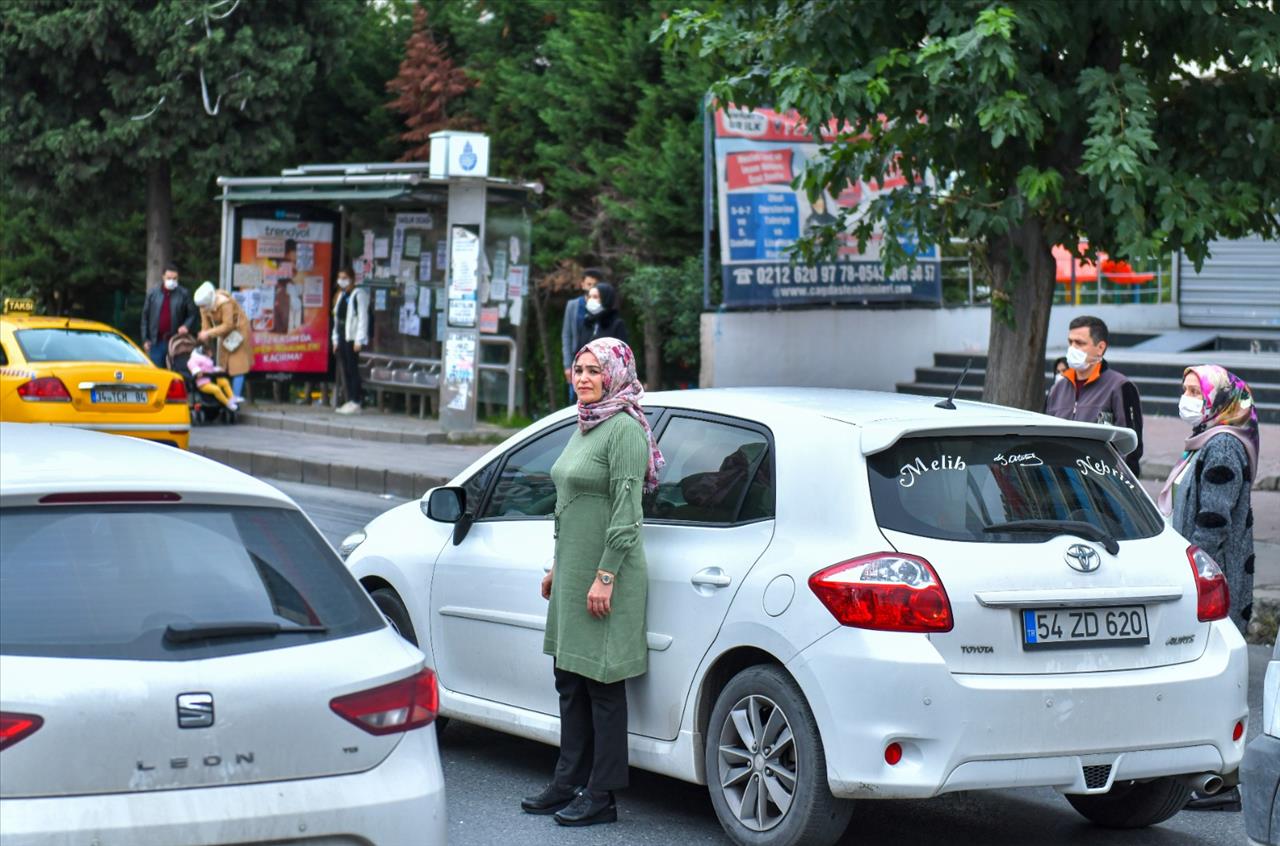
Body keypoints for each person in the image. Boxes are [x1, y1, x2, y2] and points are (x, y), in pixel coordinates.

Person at [523, 337, 664, 827]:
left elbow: (628, 513)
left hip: (610, 575)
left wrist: (604, 577)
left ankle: (602, 795)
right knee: (570, 679)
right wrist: (558, 567)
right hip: (573, 573)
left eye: (593, 370)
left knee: (603, 685)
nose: (583, 378)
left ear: (615, 374)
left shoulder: (623, 429)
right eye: (578, 369)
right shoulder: (585, 424)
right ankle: (567, 781)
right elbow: (569, 502)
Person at [1159, 365, 1259, 633]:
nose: (1186, 398)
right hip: (1202, 570)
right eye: (1185, 391)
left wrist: (1194, 571)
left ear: (1220, 399)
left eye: (1195, 391)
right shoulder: (1205, 439)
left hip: (1211, 575)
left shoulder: (1223, 447)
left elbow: (1214, 521)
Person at [1044, 315, 1144, 475]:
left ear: (1100, 347)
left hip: (1100, 486)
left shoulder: (1120, 386)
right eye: (1070, 342)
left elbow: (1131, 448)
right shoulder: (1057, 389)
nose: (1072, 349)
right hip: (1060, 481)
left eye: (1080, 343)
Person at [194, 282, 254, 402]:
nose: (203, 309)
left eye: (204, 306)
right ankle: (224, 394)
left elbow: (228, 325)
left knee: (238, 363)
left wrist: (209, 333)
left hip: (239, 330)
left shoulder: (225, 302)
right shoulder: (203, 305)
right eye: (201, 307)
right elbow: (205, 326)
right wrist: (203, 339)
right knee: (223, 363)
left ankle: (235, 396)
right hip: (224, 332)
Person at [140, 266, 198, 369]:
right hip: (156, 342)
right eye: (169, 278)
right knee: (157, 373)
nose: (172, 281)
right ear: (163, 277)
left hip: (176, 342)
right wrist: (145, 339)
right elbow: (145, 317)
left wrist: (186, 326)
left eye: (175, 278)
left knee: (176, 372)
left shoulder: (184, 294)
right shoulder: (153, 293)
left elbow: (192, 314)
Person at [562, 268, 605, 403]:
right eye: (589, 284)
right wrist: (567, 365)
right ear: (582, 284)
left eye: (595, 284)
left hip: (597, 362)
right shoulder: (573, 305)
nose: (591, 287)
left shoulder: (603, 306)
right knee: (574, 399)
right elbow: (566, 335)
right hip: (577, 360)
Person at [331, 268, 369, 415]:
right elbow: (337, 318)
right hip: (342, 336)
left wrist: (359, 339)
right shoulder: (341, 295)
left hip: (352, 337)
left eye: (345, 277)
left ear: (352, 278)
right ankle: (350, 399)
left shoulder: (358, 295)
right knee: (345, 369)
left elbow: (362, 318)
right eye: (340, 277)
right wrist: (335, 339)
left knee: (353, 369)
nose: (342, 280)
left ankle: (356, 400)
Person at [186, 346, 238, 412]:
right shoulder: (195, 359)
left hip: (211, 380)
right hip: (203, 383)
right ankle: (228, 403)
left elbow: (210, 369)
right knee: (216, 389)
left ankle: (232, 398)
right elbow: (193, 366)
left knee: (224, 381)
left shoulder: (207, 360)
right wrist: (197, 372)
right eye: (210, 352)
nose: (211, 353)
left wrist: (218, 369)